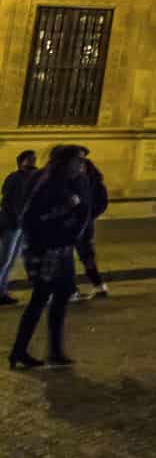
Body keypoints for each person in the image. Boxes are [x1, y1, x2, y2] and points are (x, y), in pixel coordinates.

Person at [8, 145, 90, 370]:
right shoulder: (47, 183)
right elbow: (31, 217)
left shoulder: (68, 182)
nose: (82, 166)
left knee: (61, 295)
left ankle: (52, 349)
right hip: (47, 250)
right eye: (78, 161)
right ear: (65, 162)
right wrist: (64, 212)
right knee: (40, 299)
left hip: (61, 249)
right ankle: (20, 350)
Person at [69, 148, 111, 301]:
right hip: (77, 223)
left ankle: (96, 285)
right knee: (81, 256)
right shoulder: (77, 177)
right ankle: (94, 285)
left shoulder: (90, 179)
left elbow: (102, 201)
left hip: (81, 224)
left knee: (84, 255)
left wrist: (89, 215)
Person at [0, 149, 36, 306]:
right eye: (30, 159)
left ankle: (2, 290)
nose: (33, 161)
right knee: (5, 259)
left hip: (23, 225)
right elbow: (7, 200)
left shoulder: (33, 178)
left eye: (34, 158)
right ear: (21, 161)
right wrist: (15, 217)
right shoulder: (14, 178)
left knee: (12, 260)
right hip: (12, 225)